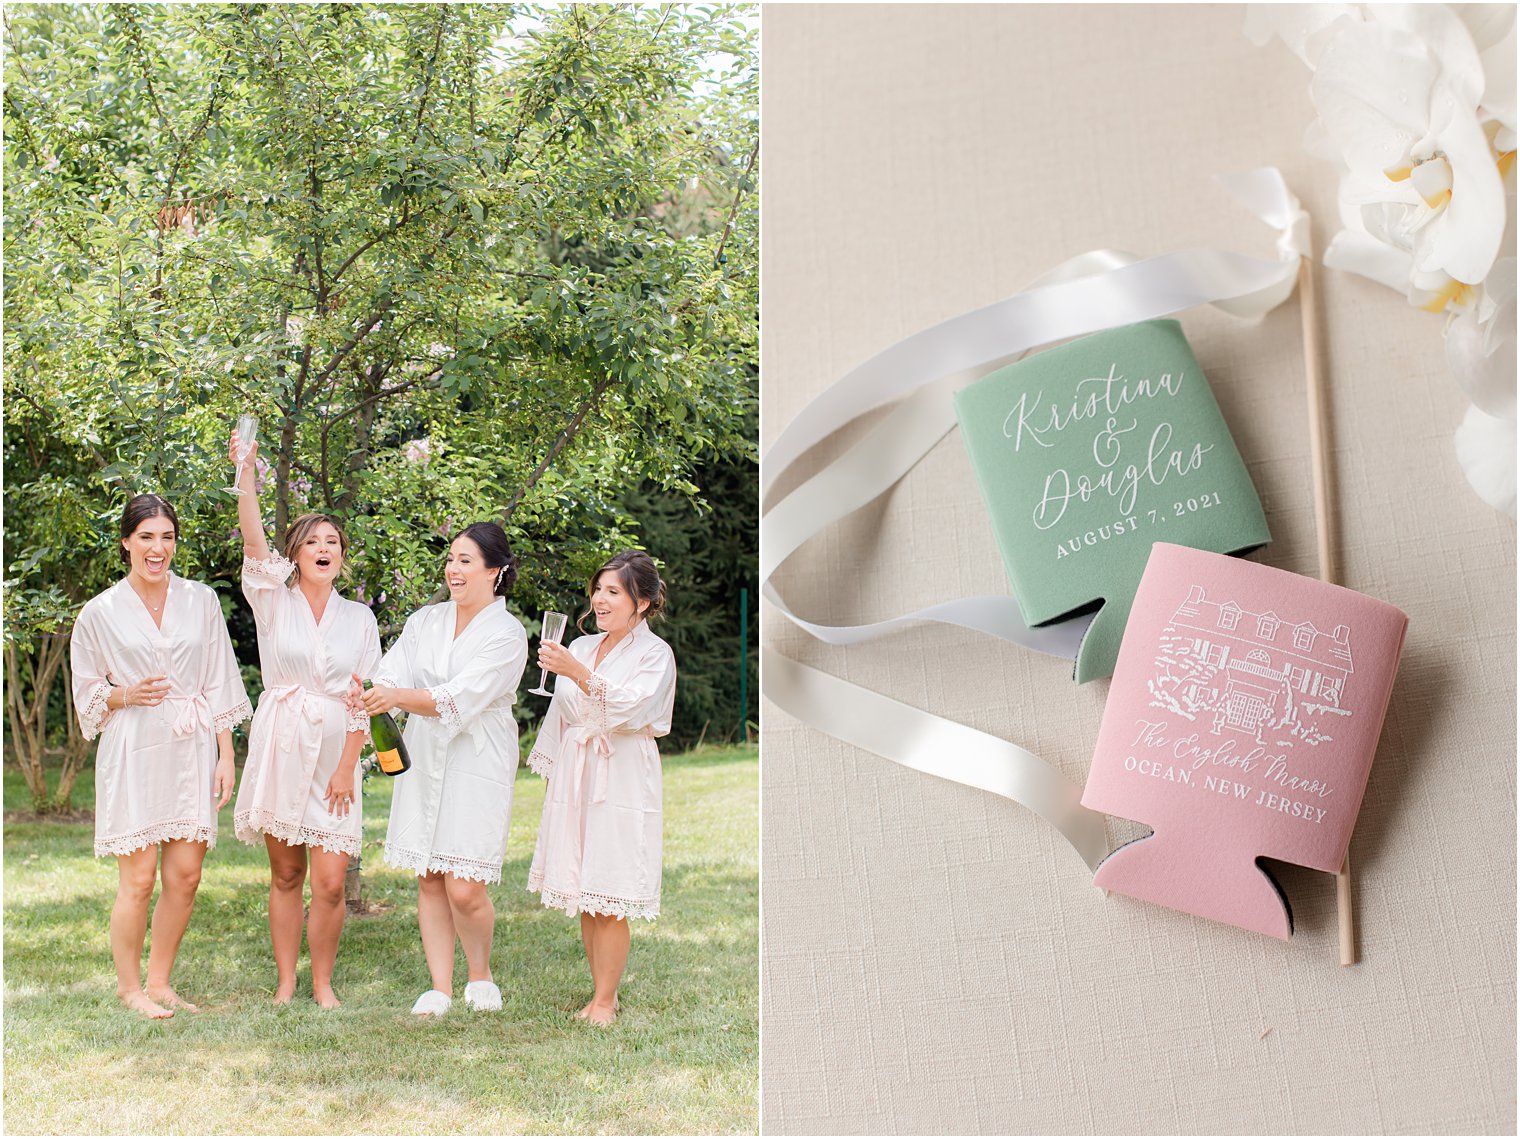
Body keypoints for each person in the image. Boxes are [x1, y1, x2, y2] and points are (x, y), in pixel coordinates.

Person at [69, 494, 252, 1018]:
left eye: (167, 537)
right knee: (140, 877)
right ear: (127, 541)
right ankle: (129, 988)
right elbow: (86, 694)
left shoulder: (201, 601)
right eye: (146, 537)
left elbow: (218, 679)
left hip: (192, 746)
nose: (158, 548)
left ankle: (161, 980)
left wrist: (225, 754)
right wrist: (126, 694)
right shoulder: (99, 612)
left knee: (186, 875)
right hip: (134, 746)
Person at [228, 433, 381, 1007]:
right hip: (283, 745)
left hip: (336, 758)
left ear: (342, 555)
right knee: (287, 874)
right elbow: (251, 536)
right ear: (294, 554)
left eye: (333, 542)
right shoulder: (273, 600)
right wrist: (247, 475)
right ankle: (288, 981)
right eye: (312, 541)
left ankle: (323, 982)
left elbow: (363, 699)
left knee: (332, 881)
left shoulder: (360, 618)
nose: (323, 548)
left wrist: (349, 767)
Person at [358, 522, 528, 1016]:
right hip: (425, 750)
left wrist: (397, 696)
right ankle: (440, 987)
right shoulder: (426, 621)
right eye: (451, 559)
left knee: (464, 883)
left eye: (466, 561)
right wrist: (375, 689)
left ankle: (481, 976)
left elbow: (460, 698)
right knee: (430, 874)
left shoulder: (508, 634)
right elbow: (394, 669)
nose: (453, 569)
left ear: (496, 571)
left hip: (479, 755)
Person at [527, 550, 677, 1026]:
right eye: (598, 590)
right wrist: (554, 769)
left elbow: (632, 709)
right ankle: (596, 994)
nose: (600, 599)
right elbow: (561, 711)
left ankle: (607, 1002)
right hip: (578, 772)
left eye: (613, 591)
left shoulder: (655, 655)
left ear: (644, 602)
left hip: (622, 772)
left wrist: (576, 672)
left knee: (609, 886)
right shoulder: (585, 645)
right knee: (584, 885)